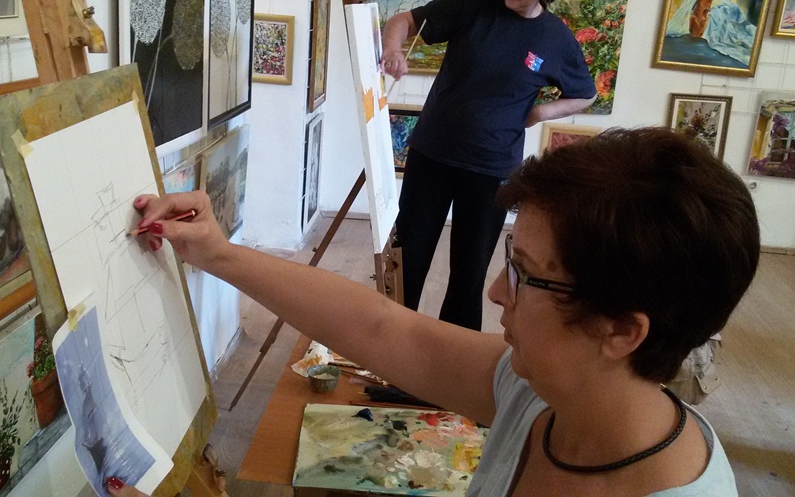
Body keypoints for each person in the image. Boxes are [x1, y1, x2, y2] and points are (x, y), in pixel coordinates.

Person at [118, 127, 759, 496]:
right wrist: (218, 254)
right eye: (510, 259)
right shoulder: (544, 394)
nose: (497, 292)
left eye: (526, 274)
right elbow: (385, 329)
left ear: (620, 330)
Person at [379, 0, 597, 331]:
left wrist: (539, 112)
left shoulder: (556, 39)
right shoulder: (472, 3)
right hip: (432, 155)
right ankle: (388, 339)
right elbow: (402, 21)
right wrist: (393, 49)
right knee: (408, 255)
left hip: (491, 171)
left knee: (469, 272)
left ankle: (454, 354)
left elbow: (585, 94)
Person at [665, 0, 756, 66]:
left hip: (729, 6)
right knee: (713, 14)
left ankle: (716, 36)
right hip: (723, 5)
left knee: (715, 15)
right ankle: (710, 33)